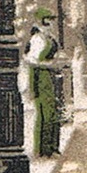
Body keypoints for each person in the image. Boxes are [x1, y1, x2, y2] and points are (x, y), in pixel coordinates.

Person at [26, 10, 62, 158]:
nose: (51, 24)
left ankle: (53, 147)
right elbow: (32, 61)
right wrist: (50, 64)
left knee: (53, 111)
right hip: (42, 77)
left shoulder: (49, 37)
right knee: (45, 113)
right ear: (42, 22)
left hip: (51, 76)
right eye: (48, 20)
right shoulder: (37, 39)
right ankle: (43, 149)